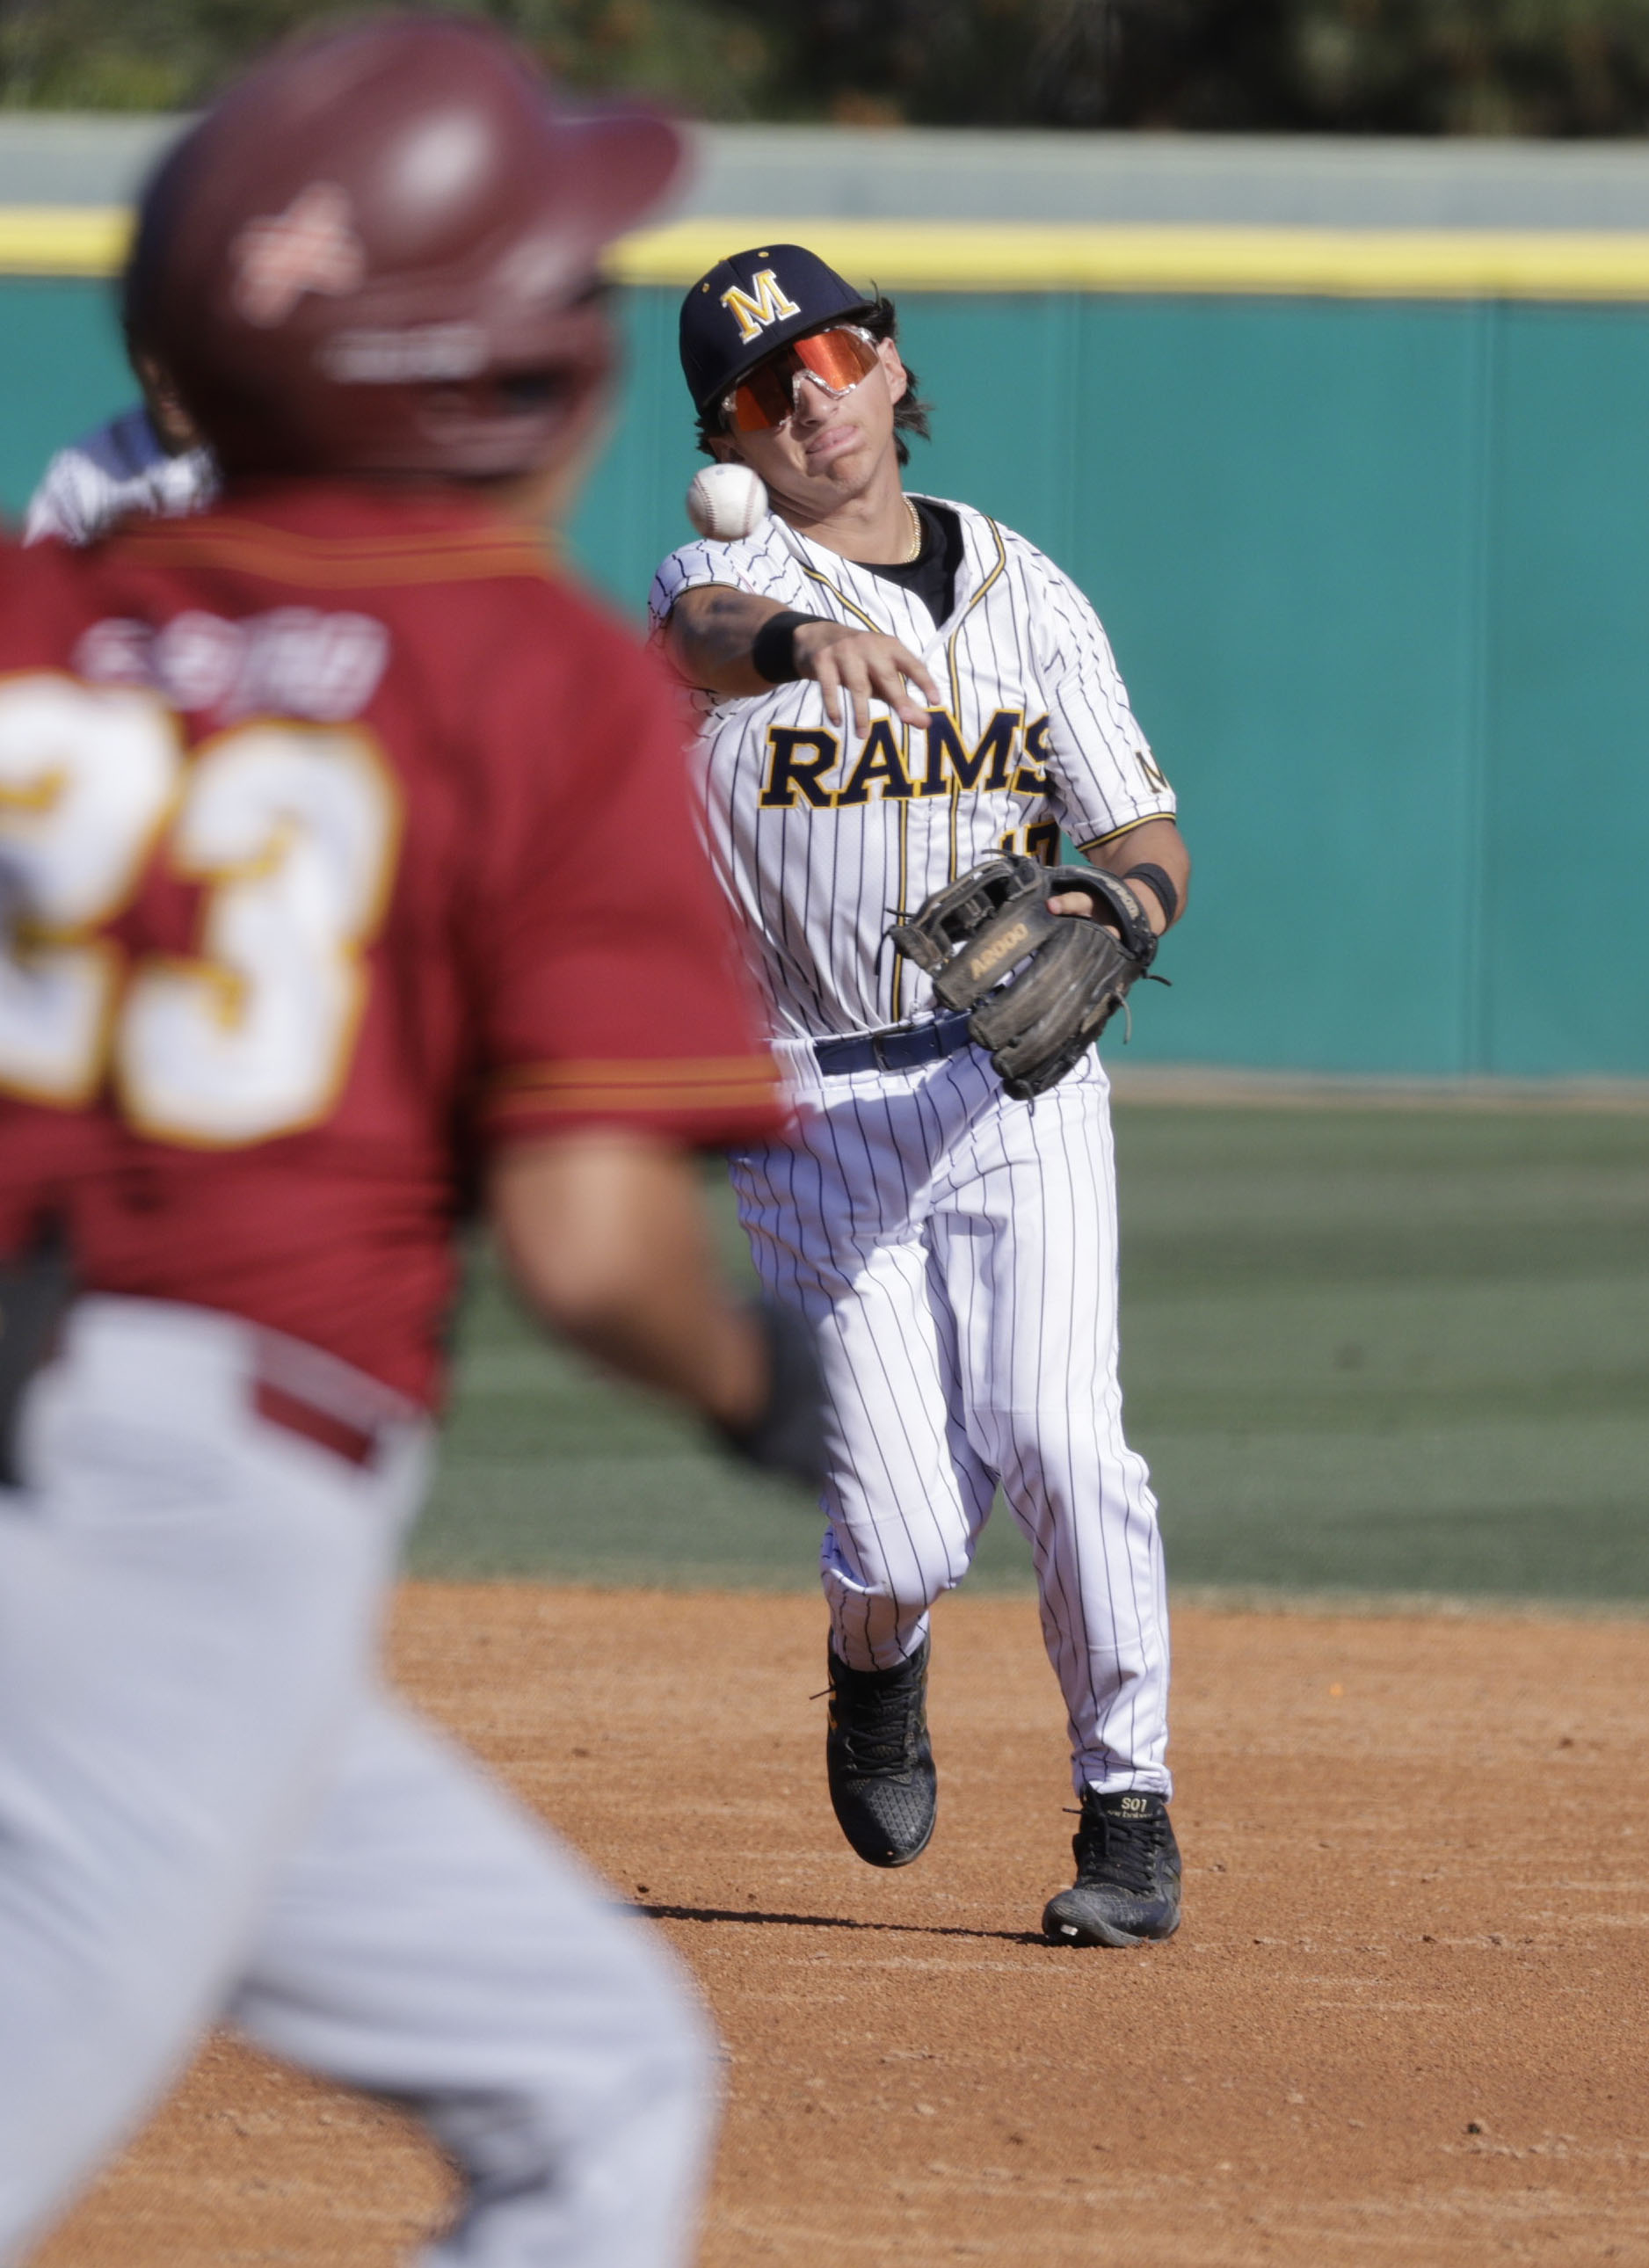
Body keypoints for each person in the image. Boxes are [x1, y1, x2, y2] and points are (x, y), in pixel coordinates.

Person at [0, 23, 821, 2265]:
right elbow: (591, 1245)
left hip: (123, 1550)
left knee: (595, 2069)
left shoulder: (30, 618)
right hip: (174, 1521)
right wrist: (752, 1379)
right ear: (484, 369)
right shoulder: (524, 671)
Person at [649, 244, 1192, 1949]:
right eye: (761, 390)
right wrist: (802, 635)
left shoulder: (1028, 590)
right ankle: (872, 1664)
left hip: (1009, 1086)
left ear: (886, 363)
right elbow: (700, 639)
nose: (807, 400)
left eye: (828, 357)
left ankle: (1127, 1813)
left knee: (1063, 1439)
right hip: (809, 1110)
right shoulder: (720, 572)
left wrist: (1123, 908)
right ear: (728, 441)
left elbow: (1143, 831)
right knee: (894, 1546)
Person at [22, 345, 217, 545]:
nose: (170, 377)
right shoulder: (81, 473)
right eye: (155, 352)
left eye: (190, 353)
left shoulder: (242, 453)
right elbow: (35, 560)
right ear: (133, 359)